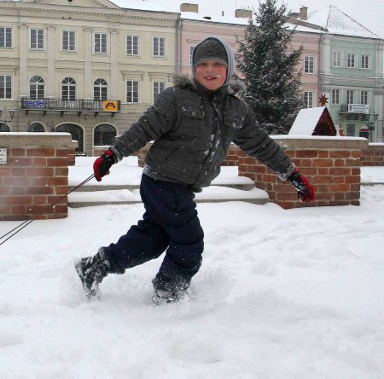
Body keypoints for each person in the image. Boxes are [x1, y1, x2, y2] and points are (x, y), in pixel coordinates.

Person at [75, 36, 315, 304]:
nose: (210, 70)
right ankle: (168, 291)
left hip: (181, 186)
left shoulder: (236, 109)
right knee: (189, 242)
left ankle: (95, 266)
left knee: (153, 239)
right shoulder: (177, 98)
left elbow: (261, 144)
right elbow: (144, 128)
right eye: (202, 64)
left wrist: (291, 173)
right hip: (162, 181)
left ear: (229, 69)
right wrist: (112, 154)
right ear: (193, 68)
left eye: (217, 64)